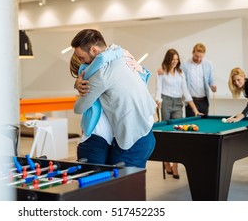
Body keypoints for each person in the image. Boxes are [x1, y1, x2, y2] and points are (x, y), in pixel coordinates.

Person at [71, 29, 156, 168]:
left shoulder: (102, 74)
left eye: (81, 57)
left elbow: (79, 108)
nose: (82, 62)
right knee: (136, 186)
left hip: (132, 143)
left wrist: (80, 84)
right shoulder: (124, 56)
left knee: (118, 186)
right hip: (148, 136)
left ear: (93, 50)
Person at [155, 48, 202, 179]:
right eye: (173, 59)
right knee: (166, 134)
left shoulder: (180, 73)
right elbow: (158, 89)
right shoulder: (161, 72)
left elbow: (185, 91)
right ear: (168, 59)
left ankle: (175, 165)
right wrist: (158, 101)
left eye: (177, 59)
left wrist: (195, 109)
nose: (175, 62)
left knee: (178, 133)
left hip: (177, 103)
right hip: (165, 102)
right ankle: (166, 161)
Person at [181, 43, 217, 116]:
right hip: (191, 100)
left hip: (204, 100)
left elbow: (211, 79)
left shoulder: (208, 64)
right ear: (192, 53)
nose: (198, 59)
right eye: (196, 56)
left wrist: (213, 86)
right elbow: (181, 82)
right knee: (191, 125)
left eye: (201, 57)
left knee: (205, 124)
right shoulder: (185, 65)